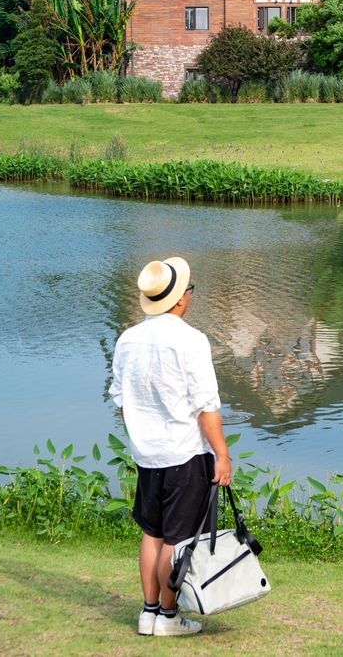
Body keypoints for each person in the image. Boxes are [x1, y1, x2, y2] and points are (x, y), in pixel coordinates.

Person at [109, 256, 231, 637]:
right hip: (184, 454)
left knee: (152, 533)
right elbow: (205, 406)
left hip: (147, 455)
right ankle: (167, 615)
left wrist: (142, 437)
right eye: (188, 292)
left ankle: (148, 613)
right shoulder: (191, 340)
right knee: (176, 542)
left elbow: (122, 400)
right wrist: (222, 455)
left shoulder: (127, 339)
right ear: (179, 300)